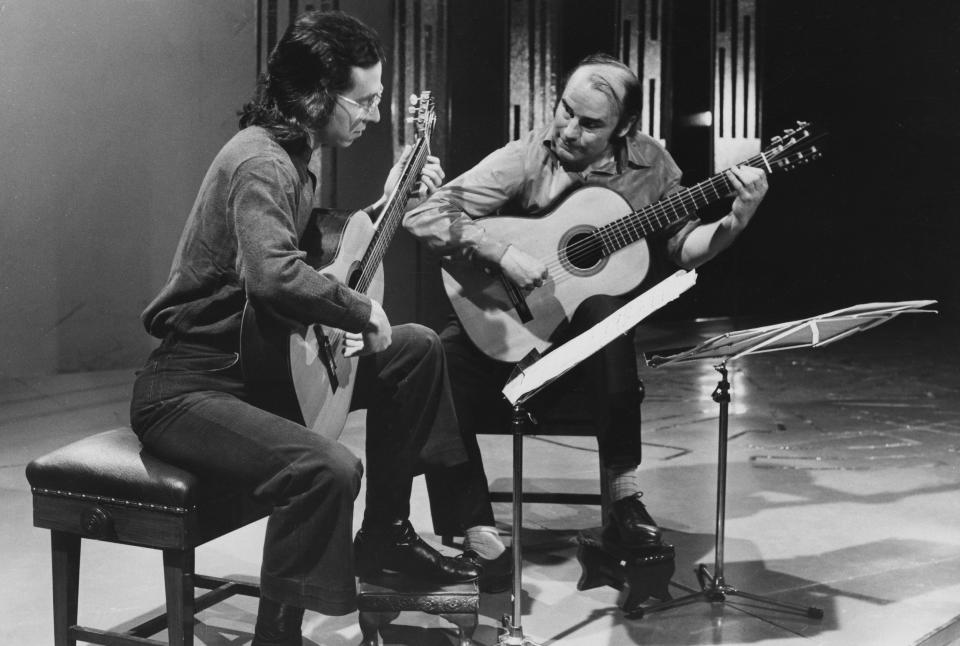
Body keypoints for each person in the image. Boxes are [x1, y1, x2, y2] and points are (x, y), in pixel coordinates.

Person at [129, 10, 477, 646]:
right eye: (365, 100)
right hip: (190, 387)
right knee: (328, 469)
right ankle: (278, 637)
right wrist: (361, 310)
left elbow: (318, 247)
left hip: (255, 365)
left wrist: (390, 199)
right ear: (318, 96)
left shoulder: (296, 151)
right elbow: (274, 275)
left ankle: (388, 540)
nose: (374, 114)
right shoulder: (259, 161)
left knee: (418, 348)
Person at [403, 53, 768, 589]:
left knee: (606, 308)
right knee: (430, 362)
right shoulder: (526, 155)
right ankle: (475, 525)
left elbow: (684, 248)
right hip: (507, 334)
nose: (569, 130)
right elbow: (425, 213)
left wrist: (735, 220)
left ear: (624, 128)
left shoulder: (652, 166)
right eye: (565, 111)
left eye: (590, 123)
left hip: (585, 353)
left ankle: (623, 502)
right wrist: (502, 252)